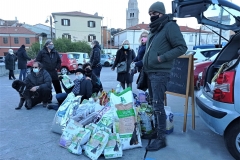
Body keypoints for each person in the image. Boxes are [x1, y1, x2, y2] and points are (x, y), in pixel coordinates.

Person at [142, 1, 188, 152]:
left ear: (161, 13)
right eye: (150, 14)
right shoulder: (155, 29)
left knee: (158, 104)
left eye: (154, 13)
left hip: (160, 72)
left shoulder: (169, 26)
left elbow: (182, 47)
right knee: (153, 103)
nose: (152, 16)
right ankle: (157, 131)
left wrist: (161, 58)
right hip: (150, 72)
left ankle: (161, 138)